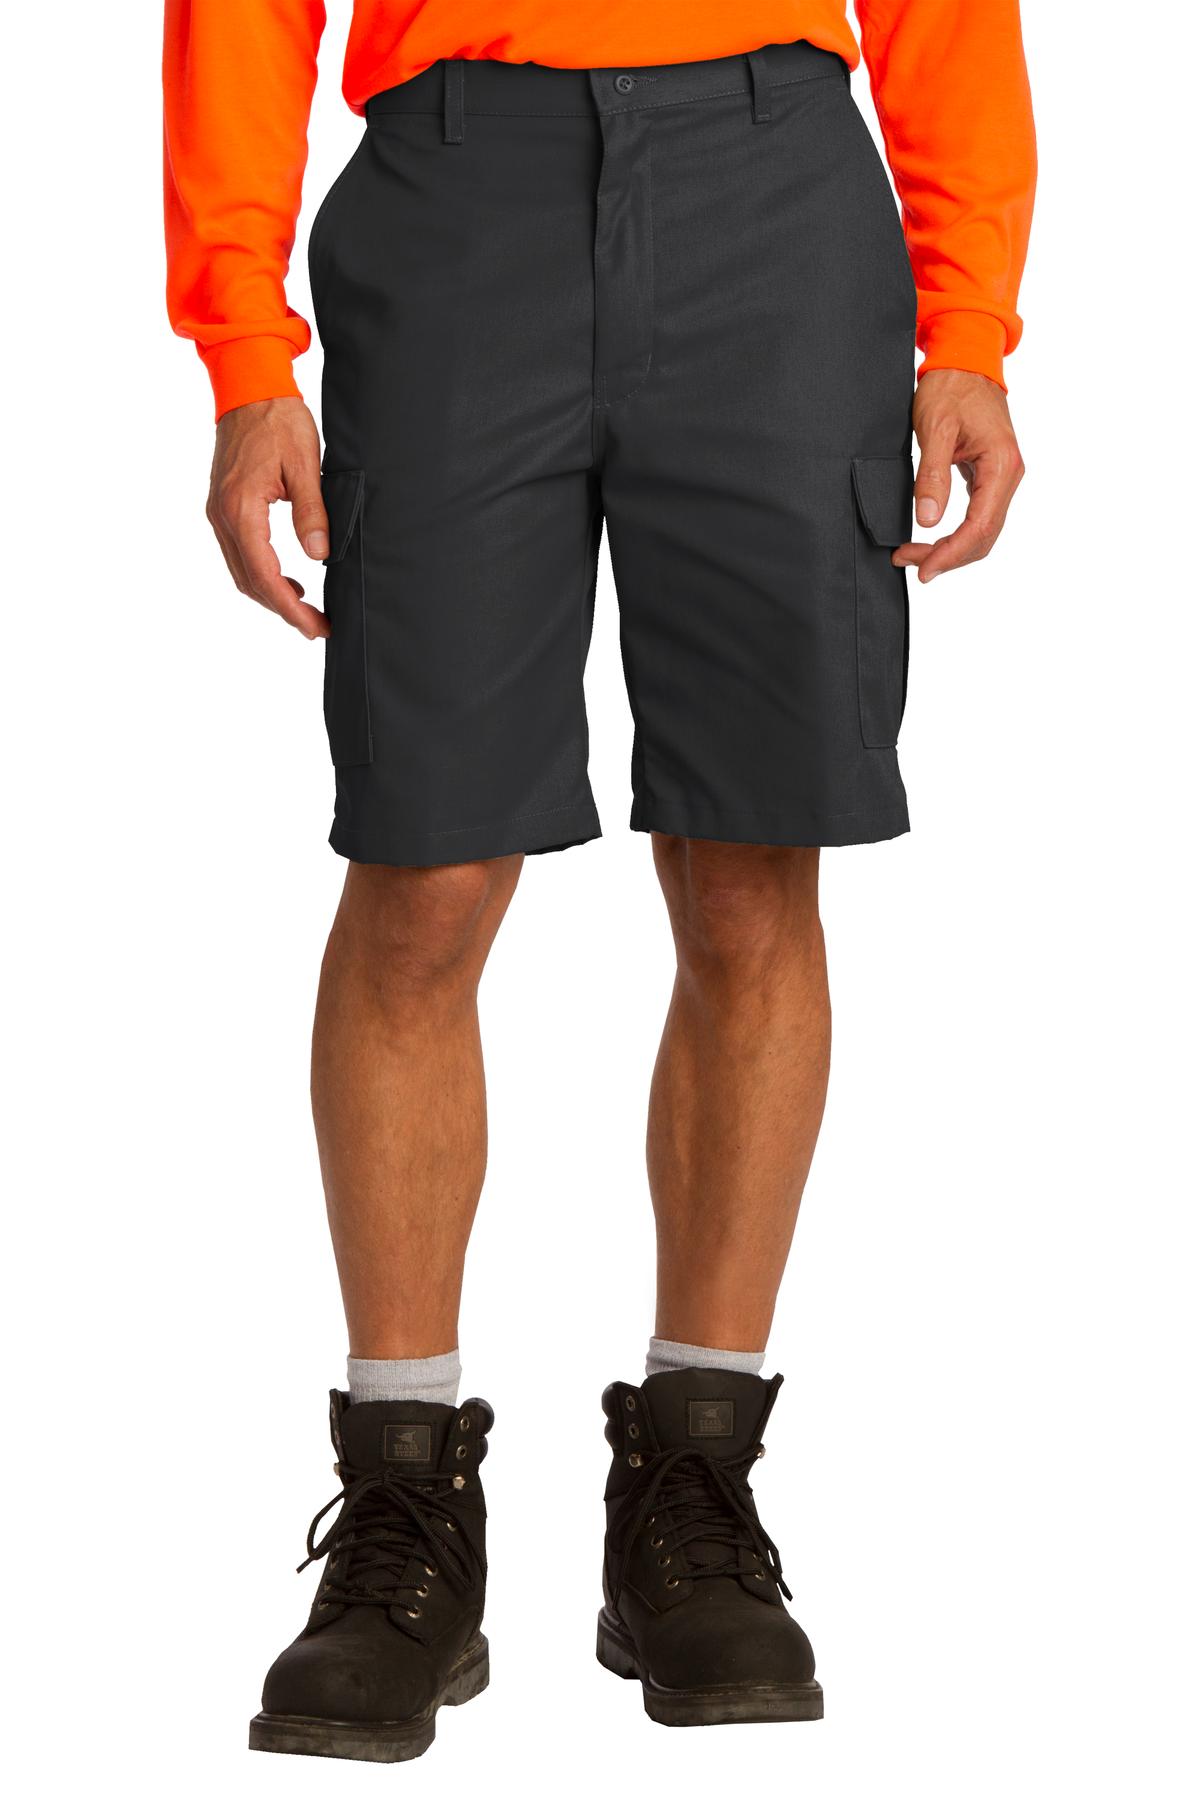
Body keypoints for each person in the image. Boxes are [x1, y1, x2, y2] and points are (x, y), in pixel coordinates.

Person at [163, 0, 1035, 1764]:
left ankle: (693, 1488)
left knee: (750, 875)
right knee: (424, 869)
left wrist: (970, 321)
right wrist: (244, 349)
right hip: (457, 188)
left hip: (776, 190)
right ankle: (405, 1500)